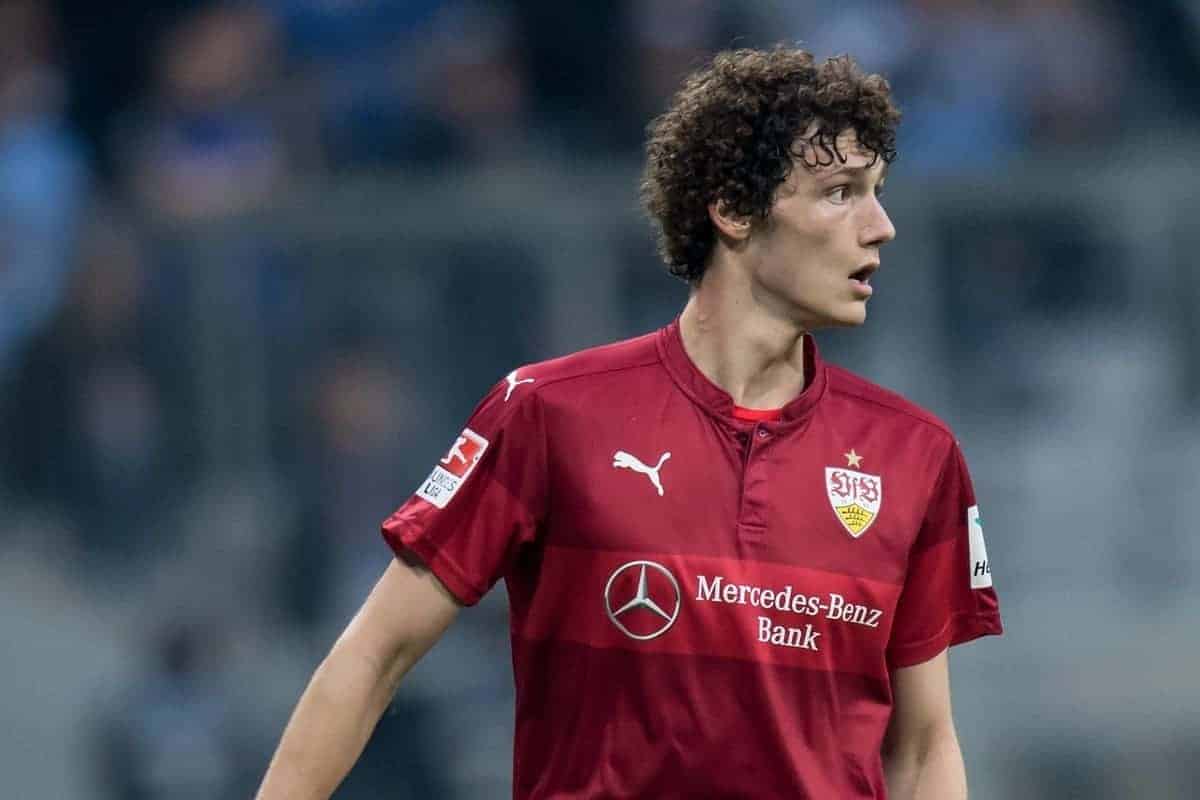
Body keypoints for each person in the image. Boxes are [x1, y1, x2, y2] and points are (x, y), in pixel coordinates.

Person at [255, 46, 1002, 799]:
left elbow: (923, 746)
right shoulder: (550, 414)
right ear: (733, 208)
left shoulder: (916, 455)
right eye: (840, 192)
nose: (882, 227)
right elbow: (373, 655)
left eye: (876, 191)